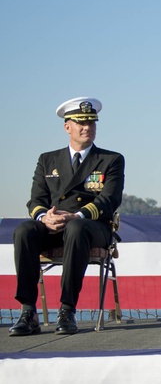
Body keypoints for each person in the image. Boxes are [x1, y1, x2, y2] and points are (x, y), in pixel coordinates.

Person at [8, 97, 125, 336]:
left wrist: (77, 215)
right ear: (67, 127)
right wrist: (43, 218)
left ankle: (67, 309)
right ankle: (28, 311)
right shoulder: (47, 160)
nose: (87, 128)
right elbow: (36, 200)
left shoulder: (111, 160)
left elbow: (108, 200)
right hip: (54, 225)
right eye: (81, 123)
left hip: (92, 227)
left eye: (92, 123)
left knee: (76, 228)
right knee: (24, 230)